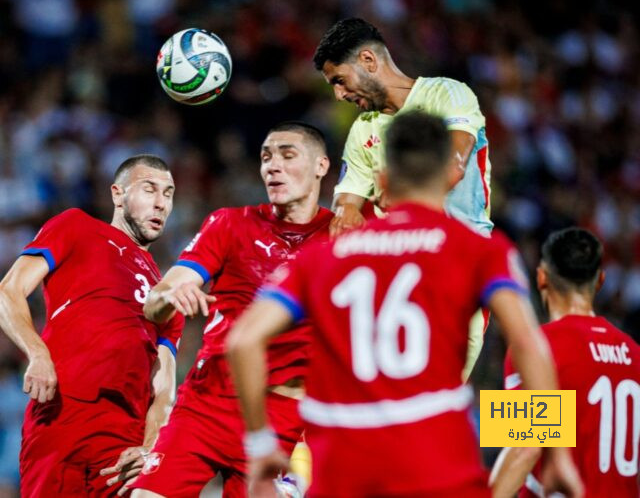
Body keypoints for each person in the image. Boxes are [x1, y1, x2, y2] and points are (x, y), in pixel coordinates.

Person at [227, 111, 583, 498]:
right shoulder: (620, 349)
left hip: (344, 463)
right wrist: (561, 457)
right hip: (435, 456)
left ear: (382, 181)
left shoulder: (324, 256)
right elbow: (529, 416)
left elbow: (242, 340)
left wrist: (261, 444)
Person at [129, 121, 332, 498]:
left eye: (288, 155)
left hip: (286, 420)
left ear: (321, 166)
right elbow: (156, 300)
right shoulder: (229, 224)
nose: (273, 166)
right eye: (266, 157)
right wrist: (168, 297)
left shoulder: (345, 238)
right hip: (207, 402)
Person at [313, 18, 492, 377]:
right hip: (398, 281)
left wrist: (400, 198)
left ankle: (544, 431)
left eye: (339, 80)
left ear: (367, 60)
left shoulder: (447, 94)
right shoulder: (363, 130)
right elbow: (345, 206)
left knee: (436, 397)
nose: (339, 95)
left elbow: (454, 164)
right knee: (396, 401)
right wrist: (346, 218)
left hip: (460, 267)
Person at [0, 154, 183, 497]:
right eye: (149, 189)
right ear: (118, 194)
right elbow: (8, 291)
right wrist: (37, 354)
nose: (161, 203)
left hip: (124, 446)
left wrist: (149, 445)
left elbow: (164, 391)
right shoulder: (76, 227)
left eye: (169, 193)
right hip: (62, 418)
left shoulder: (167, 294)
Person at [490, 227, 640, 498]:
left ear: (541, 277)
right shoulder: (634, 353)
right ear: (600, 281)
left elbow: (525, 447)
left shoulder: (536, 346)